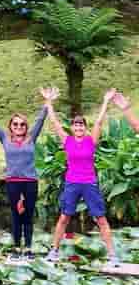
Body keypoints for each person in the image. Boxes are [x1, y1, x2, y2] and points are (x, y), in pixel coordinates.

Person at [44, 89, 118, 266]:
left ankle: (112, 255)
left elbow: (99, 122)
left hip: (89, 183)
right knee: (64, 217)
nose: (78, 128)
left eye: (81, 125)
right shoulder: (67, 140)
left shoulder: (90, 140)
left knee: (100, 218)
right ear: (72, 128)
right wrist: (48, 102)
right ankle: (54, 251)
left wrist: (106, 101)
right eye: (75, 125)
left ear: (85, 128)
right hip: (72, 183)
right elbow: (54, 122)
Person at [0, 91, 46, 258]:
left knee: (28, 214)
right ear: (10, 126)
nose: (19, 127)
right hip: (13, 183)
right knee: (16, 214)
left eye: (22, 125)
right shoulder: (5, 137)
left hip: (30, 182)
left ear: (26, 127)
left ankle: (27, 248)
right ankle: (16, 248)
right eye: (15, 124)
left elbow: (41, 120)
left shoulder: (31, 138)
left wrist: (47, 102)